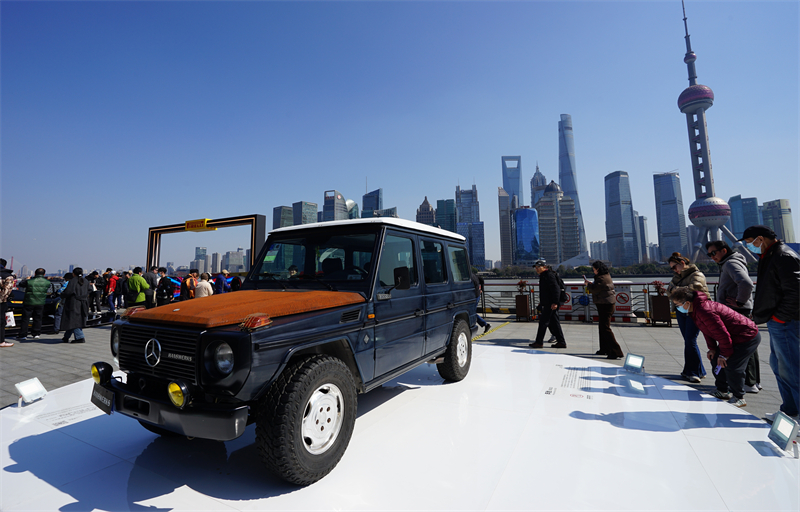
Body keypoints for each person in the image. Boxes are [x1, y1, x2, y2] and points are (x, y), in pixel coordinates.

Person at [740, 225, 800, 421]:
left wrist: (780, 317)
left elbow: (796, 291)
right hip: (777, 321)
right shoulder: (770, 255)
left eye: (750, 243)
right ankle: (789, 411)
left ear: (760, 239)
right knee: (779, 366)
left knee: (792, 369)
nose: (750, 247)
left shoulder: (783, 256)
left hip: (786, 322)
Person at [670, 286, 761, 408]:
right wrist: (712, 348)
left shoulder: (704, 310)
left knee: (732, 365)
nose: (677, 308)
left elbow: (722, 334)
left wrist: (724, 354)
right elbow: (707, 330)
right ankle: (723, 390)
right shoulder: (695, 310)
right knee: (715, 359)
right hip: (733, 336)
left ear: (687, 303)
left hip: (746, 336)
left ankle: (739, 397)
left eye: (678, 305)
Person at [706, 240, 760, 393]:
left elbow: (746, 283)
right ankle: (753, 382)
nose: (711, 257)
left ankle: (748, 383)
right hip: (740, 311)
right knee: (748, 348)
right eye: (709, 254)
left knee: (740, 348)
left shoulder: (730, 264)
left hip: (736, 312)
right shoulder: (729, 263)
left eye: (713, 253)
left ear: (723, 250)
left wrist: (740, 302)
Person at [667, 252, 708, 384]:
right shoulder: (675, 277)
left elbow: (691, 291)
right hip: (681, 310)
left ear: (682, 264)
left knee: (690, 340)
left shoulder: (697, 275)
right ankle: (696, 370)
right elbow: (669, 292)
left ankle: (693, 372)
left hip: (694, 311)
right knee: (688, 340)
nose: (673, 270)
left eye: (674, 267)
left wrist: (676, 290)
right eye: (672, 268)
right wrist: (677, 291)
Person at [583, 261, 624, 359]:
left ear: (598, 269)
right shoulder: (605, 276)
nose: (593, 271)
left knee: (605, 328)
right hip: (605, 304)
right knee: (602, 327)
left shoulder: (602, 278)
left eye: (594, 269)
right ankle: (604, 348)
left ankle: (616, 351)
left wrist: (588, 285)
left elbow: (595, 289)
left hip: (606, 305)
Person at [529, 261, 567, 349]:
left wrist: (555, 302)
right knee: (555, 322)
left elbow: (555, 289)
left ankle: (539, 342)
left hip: (551, 304)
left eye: (539, 267)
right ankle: (561, 342)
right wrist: (541, 302)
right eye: (536, 267)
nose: (537, 269)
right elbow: (546, 292)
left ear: (544, 267)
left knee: (543, 322)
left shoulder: (548, 275)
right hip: (548, 303)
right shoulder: (544, 275)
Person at [16, 268, 52, 340]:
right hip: (40, 302)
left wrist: (26, 279)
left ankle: (23, 335)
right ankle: (36, 334)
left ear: (35, 273)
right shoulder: (47, 282)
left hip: (29, 302)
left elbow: (20, 284)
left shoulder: (29, 281)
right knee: (38, 318)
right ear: (44, 274)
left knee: (25, 318)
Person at [61, 267, 89, 343]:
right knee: (74, 319)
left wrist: (61, 294)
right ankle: (66, 337)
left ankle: (80, 337)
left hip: (74, 303)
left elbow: (68, 292)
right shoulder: (85, 281)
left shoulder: (73, 281)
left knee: (74, 320)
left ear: (73, 274)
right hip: (83, 302)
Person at [0, 258, 16, 347]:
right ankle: (1, 341)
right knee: (1, 321)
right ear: (5, 266)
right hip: (1, 302)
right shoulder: (7, 276)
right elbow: (7, 291)